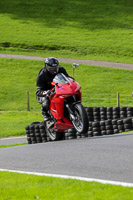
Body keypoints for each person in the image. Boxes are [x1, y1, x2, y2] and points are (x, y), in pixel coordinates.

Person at [36, 57, 70, 121]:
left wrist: (72, 81)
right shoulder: (42, 75)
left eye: (55, 68)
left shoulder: (61, 69)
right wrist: (46, 92)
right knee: (46, 102)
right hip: (46, 92)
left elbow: (67, 78)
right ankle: (45, 114)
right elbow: (38, 91)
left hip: (59, 88)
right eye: (51, 69)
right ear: (47, 67)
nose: (54, 70)